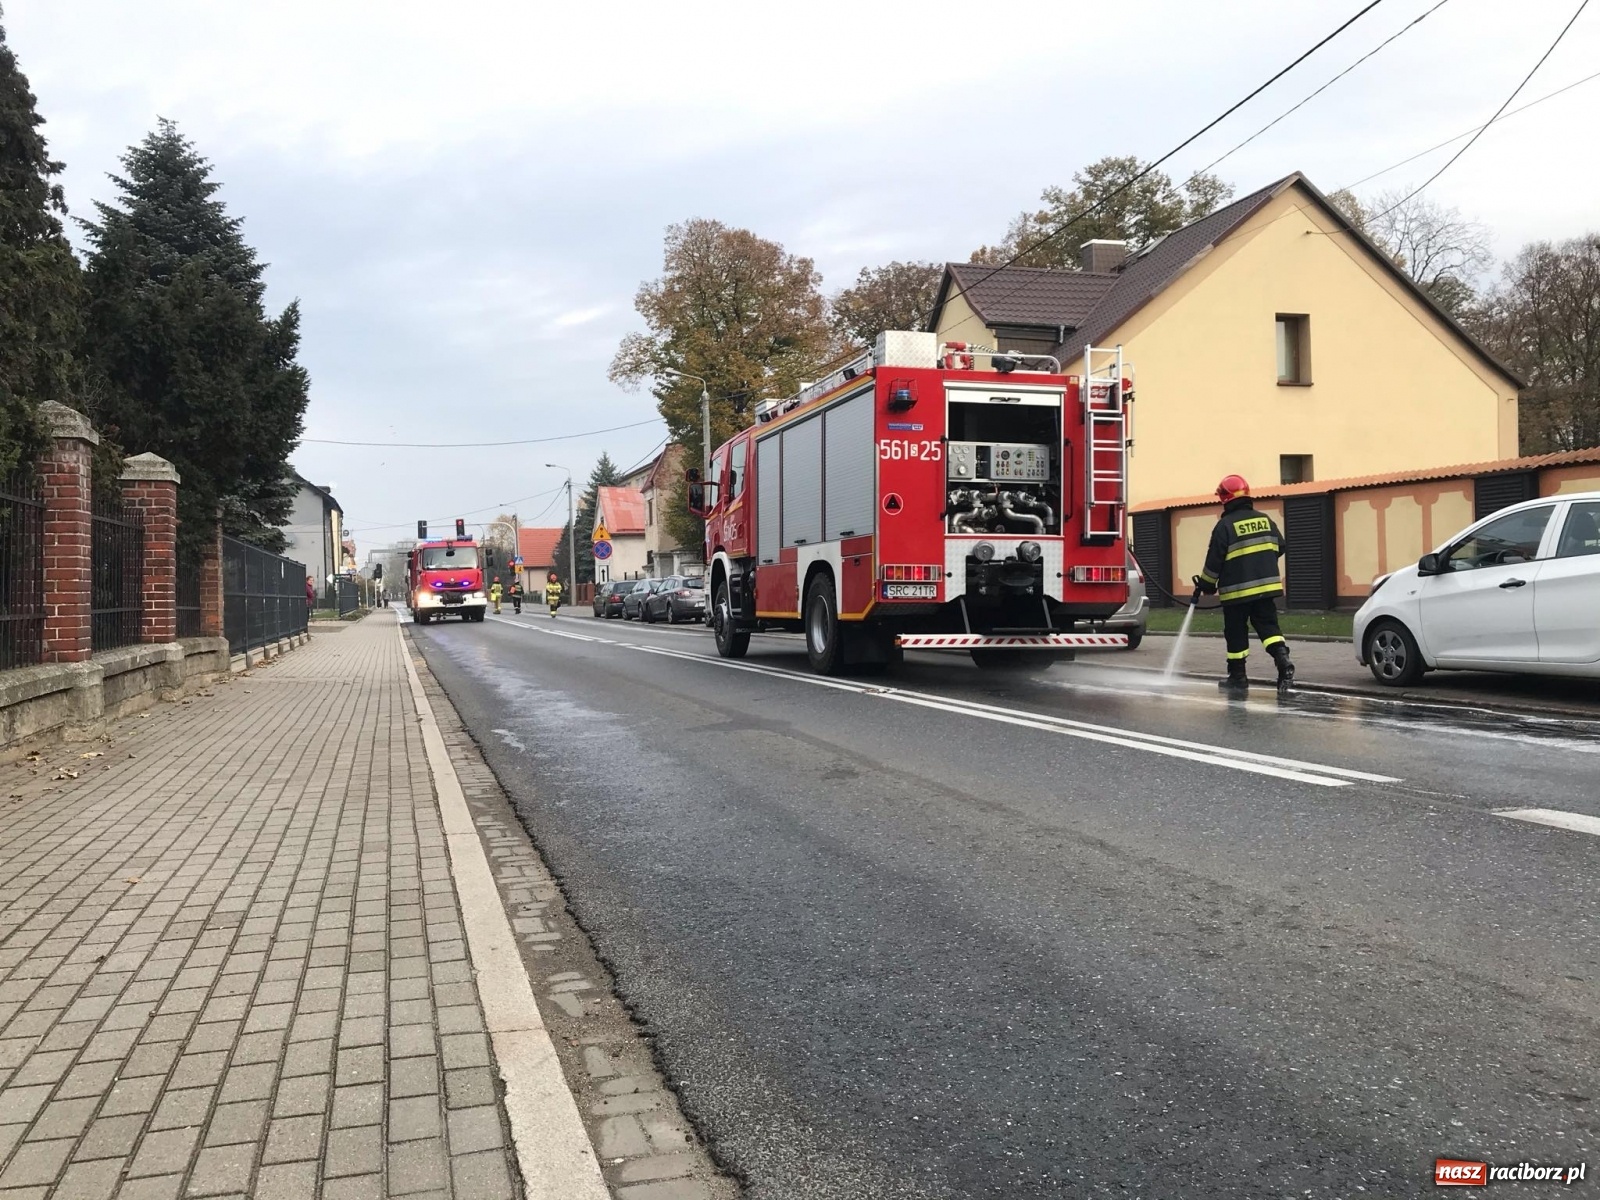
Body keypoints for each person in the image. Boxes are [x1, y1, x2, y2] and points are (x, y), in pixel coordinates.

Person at [1193, 474, 1295, 696]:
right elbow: (1280, 546)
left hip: (1237, 593)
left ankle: (1238, 678)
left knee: (1236, 632)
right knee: (1269, 628)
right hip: (1266, 590)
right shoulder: (1265, 520)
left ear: (1225, 498)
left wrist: (1207, 585)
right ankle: (1283, 661)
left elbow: (1214, 561)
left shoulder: (1225, 526)